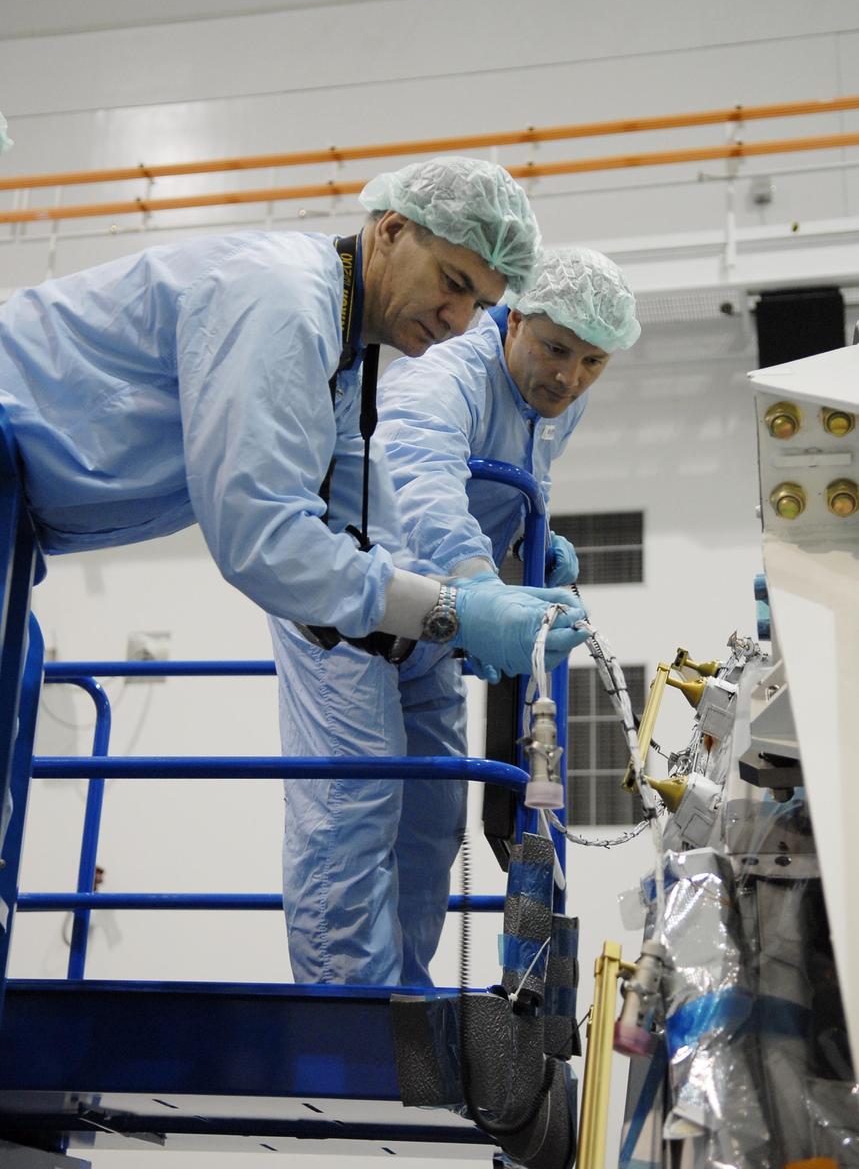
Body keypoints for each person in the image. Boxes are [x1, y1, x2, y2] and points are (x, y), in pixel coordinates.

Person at [0, 154, 587, 674]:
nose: (458, 321)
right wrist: (454, 612)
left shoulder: (345, 352)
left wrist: (477, 602)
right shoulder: (285, 298)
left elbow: (367, 532)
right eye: (452, 282)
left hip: (19, 523)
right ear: (392, 228)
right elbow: (263, 537)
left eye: (479, 304)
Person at [270, 245, 640, 986]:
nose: (568, 376)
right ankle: (347, 1024)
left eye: (592, 361)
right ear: (512, 318)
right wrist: (481, 583)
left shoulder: (555, 397)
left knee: (433, 824)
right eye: (555, 348)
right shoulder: (446, 377)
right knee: (357, 809)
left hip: (440, 626)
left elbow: (510, 481)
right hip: (355, 617)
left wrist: (526, 545)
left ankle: (402, 1005)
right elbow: (422, 479)